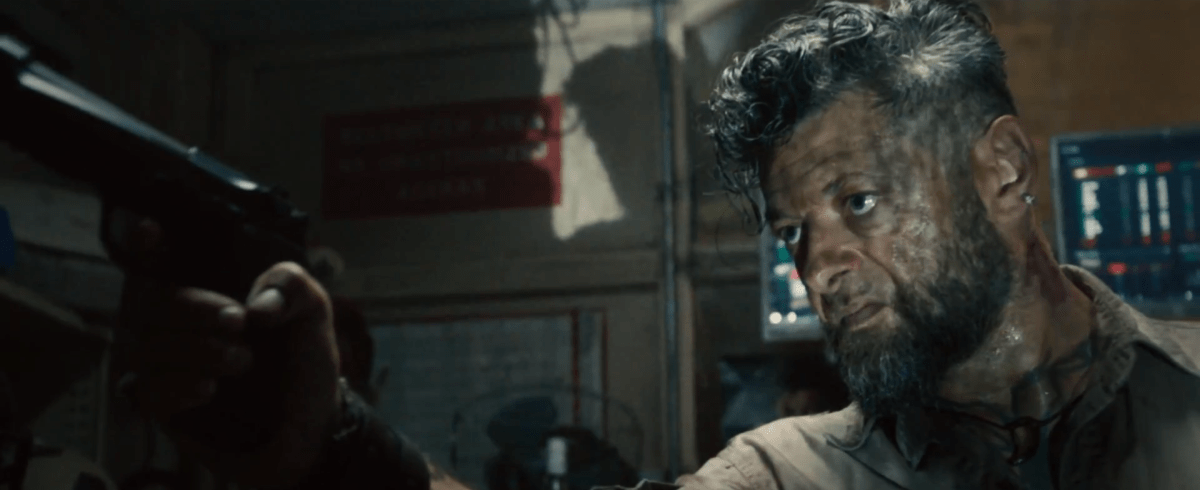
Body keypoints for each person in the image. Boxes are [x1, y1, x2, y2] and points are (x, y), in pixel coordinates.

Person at [117, 0, 1200, 489]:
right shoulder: (787, 475)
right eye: (795, 231)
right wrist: (329, 444)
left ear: (1001, 173)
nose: (819, 265)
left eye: (860, 201)